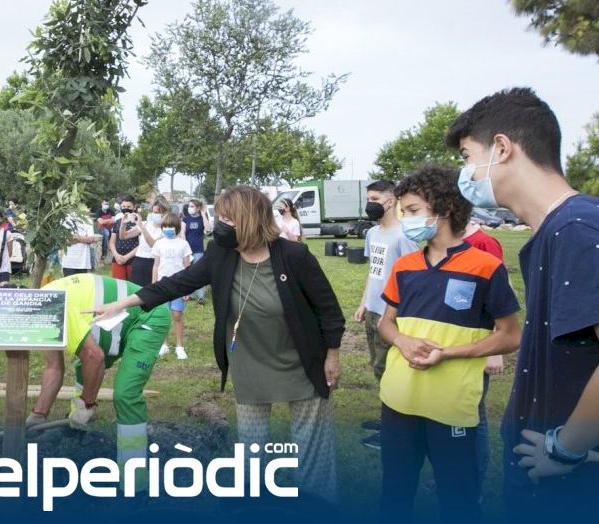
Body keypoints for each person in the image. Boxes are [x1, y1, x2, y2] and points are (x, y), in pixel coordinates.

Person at [446, 88, 599, 517]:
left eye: (466, 156)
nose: (465, 172)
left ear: (501, 148)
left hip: (590, 497)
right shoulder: (577, 223)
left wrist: (564, 447)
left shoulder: (575, 229)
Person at [87, 186, 344, 500]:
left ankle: (318, 505)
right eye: (219, 217)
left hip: (301, 360)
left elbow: (329, 310)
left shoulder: (294, 256)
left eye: (226, 219)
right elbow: (176, 283)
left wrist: (332, 355)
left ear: (248, 220)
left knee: (313, 450)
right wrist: (121, 304)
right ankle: (254, 502)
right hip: (250, 361)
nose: (219, 225)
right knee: (252, 451)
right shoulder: (221, 253)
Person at [376, 166, 522, 522]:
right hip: (398, 403)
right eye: (404, 212)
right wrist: (402, 341)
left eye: (413, 210)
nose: (407, 220)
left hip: (452, 407)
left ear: (445, 209)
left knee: (459, 502)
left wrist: (448, 354)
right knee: (394, 494)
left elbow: (510, 336)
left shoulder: (486, 267)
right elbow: (385, 324)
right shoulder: (404, 266)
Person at [29, 274, 170, 489]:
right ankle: (79, 431)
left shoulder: (55, 308)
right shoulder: (42, 306)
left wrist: (87, 403)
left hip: (149, 315)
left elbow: (95, 357)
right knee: (82, 367)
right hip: (116, 321)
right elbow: (53, 367)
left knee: (125, 394)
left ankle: (135, 478)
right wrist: (38, 415)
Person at [353, 179, 419, 450]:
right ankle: (388, 419)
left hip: (390, 316)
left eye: (375, 200)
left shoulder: (405, 235)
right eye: (368, 199)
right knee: (379, 368)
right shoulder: (372, 234)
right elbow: (375, 272)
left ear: (391, 202)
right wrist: (364, 303)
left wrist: (392, 316)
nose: (370, 205)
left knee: (391, 371)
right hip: (373, 310)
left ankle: (395, 429)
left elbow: (411, 279)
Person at [462, 218, 506, 493]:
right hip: (458, 346)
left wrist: (495, 350)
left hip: (479, 347)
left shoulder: (484, 243)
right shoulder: (449, 242)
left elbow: (500, 296)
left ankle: (474, 484)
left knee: (473, 416)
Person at [151, 212, 192, 360]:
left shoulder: (183, 244)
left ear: (177, 227)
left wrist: (188, 288)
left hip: (178, 285)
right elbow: (156, 265)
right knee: (163, 315)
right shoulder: (158, 244)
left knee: (177, 315)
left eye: (171, 226)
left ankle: (179, 346)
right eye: (165, 226)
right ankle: (164, 344)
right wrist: (154, 284)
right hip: (162, 285)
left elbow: (187, 267)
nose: (168, 229)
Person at [129, 198, 169, 287]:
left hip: (152, 263)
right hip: (138, 261)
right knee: (135, 290)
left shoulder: (167, 229)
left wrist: (142, 228)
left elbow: (153, 244)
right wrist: (123, 223)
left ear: (165, 213)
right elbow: (124, 236)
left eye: (157, 213)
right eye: (153, 212)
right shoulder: (147, 224)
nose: (154, 215)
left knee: (149, 291)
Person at [181, 199, 210, 305]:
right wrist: (185, 247)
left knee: (198, 272)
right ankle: (189, 294)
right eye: (189, 206)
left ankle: (200, 297)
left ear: (198, 208)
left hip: (198, 250)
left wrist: (203, 214)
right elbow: (182, 233)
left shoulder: (201, 218)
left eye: (192, 206)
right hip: (187, 250)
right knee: (188, 272)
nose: (190, 208)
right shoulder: (185, 219)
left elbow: (208, 229)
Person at [107, 196, 141, 281]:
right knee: (118, 284)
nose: (126, 208)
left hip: (133, 259)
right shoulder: (117, 222)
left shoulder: (138, 222)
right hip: (118, 258)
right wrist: (116, 255)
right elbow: (112, 242)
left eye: (128, 206)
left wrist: (126, 257)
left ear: (134, 207)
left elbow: (141, 244)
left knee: (132, 284)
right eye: (124, 206)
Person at [60, 209, 99, 278]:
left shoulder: (87, 220)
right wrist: (83, 238)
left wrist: (77, 237)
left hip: (83, 263)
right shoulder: (65, 219)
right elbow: (64, 241)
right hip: (68, 262)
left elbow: (91, 239)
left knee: (82, 284)